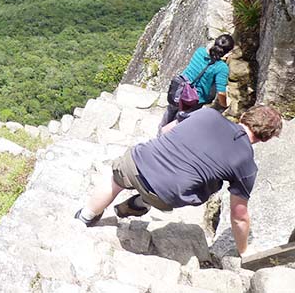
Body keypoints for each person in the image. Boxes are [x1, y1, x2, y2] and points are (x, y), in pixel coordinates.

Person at [75, 105, 282, 257]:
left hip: (138, 162)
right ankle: (142, 202)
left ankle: (84, 217)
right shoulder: (246, 164)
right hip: (166, 195)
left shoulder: (208, 114)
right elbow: (239, 216)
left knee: (115, 179)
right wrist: (244, 251)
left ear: (245, 115)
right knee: (208, 183)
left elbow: (166, 130)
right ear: (265, 138)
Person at [160, 34, 235, 133]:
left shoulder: (200, 51)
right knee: (181, 119)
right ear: (227, 52)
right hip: (194, 98)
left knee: (171, 109)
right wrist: (224, 105)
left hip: (179, 88)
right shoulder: (222, 68)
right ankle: (167, 135)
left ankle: (160, 130)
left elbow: (204, 62)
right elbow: (221, 92)